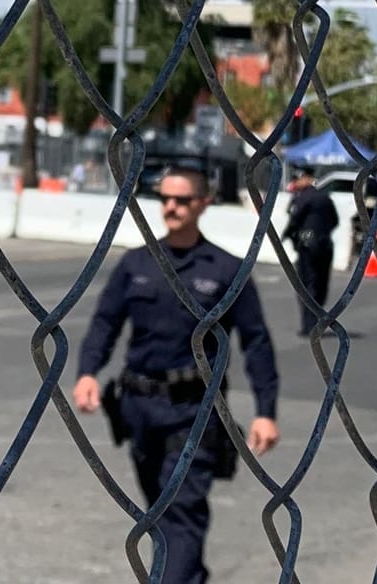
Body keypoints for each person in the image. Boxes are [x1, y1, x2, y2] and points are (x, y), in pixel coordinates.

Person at [74, 165, 282, 583]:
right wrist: (87, 372)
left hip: (194, 412)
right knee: (159, 513)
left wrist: (265, 410)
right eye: (165, 198)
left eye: (182, 200)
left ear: (203, 203)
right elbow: (105, 322)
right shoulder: (137, 264)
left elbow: (256, 341)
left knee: (182, 511)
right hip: (138, 408)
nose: (171, 207)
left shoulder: (226, 270)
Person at [283, 168, 337, 337]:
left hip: (307, 246)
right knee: (320, 285)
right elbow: (334, 220)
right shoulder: (325, 197)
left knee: (307, 285)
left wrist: (287, 235)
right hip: (325, 245)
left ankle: (309, 325)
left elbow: (294, 219)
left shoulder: (303, 198)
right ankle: (316, 322)